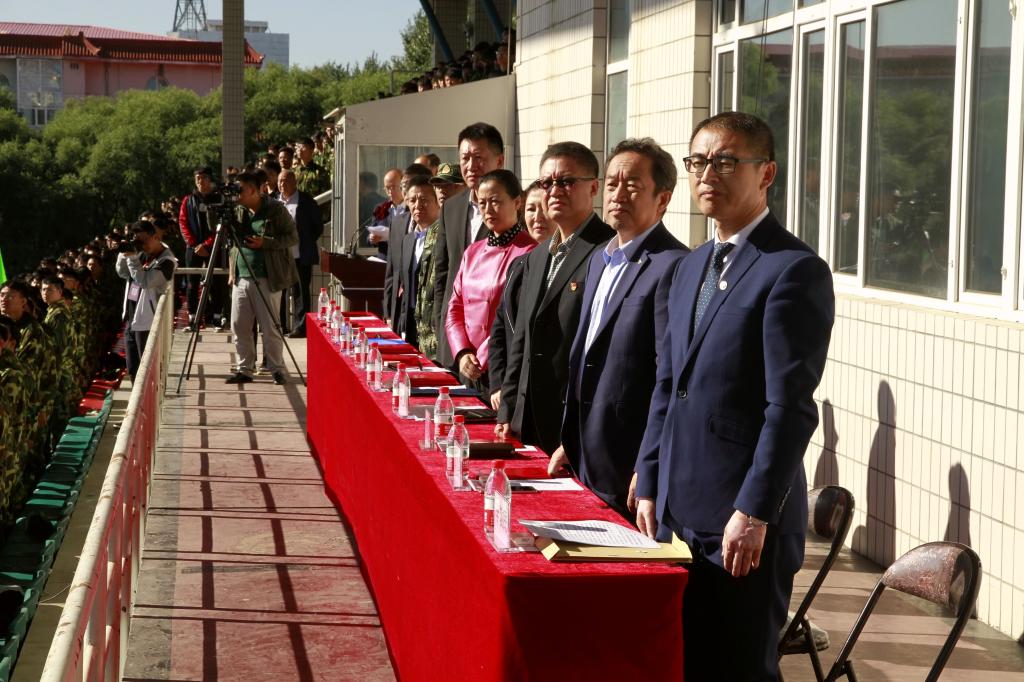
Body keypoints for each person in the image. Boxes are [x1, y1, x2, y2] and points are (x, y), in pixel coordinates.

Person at [634, 112, 835, 681]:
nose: (707, 174)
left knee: (738, 669)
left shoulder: (792, 270)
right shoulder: (690, 265)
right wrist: (649, 476)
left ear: (766, 172)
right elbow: (669, 383)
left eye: (725, 161)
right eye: (698, 162)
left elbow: (789, 408)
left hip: (742, 523)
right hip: (677, 509)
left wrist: (753, 511)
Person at [547, 138, 689, 520]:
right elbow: (587, 354)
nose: (618, 194)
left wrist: (649, 464)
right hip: (586, 454)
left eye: (633, 185)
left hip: (628, 466)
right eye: (612, 183)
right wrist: (572, 441)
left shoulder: (673, 265)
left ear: (663, 199)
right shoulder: (600, 259)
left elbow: (669, 377)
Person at [495, 142, 614, 454]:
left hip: (572, 425)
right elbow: (521, 340)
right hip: (527, 419)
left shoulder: (608, 252)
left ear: (594, 188)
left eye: (567, 182)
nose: (555, 191)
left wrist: (579, 431)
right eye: (547, 183)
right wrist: (508, 407)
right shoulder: (536, 257)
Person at [446, 170, 537, 392]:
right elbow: (455, 307)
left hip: (502, 366)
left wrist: (483, 356)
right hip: (467, 365)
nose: (488, 210)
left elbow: (513, 319)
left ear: (517, 202)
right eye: (482, 203)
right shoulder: (472, 251)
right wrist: (462, 352)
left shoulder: (530, 252)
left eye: (495, 201)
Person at [432, 123, 505, 369]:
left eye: (479, 157)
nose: (471, 166)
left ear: (499, 160)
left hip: (492, 347)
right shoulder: (450, 208)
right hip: (452, 341)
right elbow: (442, 274)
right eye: (465, 158)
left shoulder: (514, 208)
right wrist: (442, 327)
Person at [226, 170, 299, 385]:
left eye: (241, 190)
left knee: (270, 327)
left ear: (253, 190)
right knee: (239, 325)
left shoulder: (275, 209)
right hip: (241, 276)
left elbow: (292, 237)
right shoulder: (238, 210)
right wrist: (231, 271)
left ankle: (276, 368)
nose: (237, 194)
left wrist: (265, 243)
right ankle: (244, 369)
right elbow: (230, 243)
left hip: (268, 276)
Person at [487, 181, 554, 410]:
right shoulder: (519, 265)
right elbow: (499, 329)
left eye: (544, 208)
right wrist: (498, 385)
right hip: (513, 391)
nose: (537, 217)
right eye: (531, 209)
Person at [116, 220, 178, 380]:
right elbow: (123, 273)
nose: (141, 245)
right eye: (138, 241)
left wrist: (133, 259)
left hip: (146, 322)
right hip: (131, 317)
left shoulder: (167, 261)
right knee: (133, 368)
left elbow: (145, 281)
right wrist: (124, 254)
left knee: (146, 369)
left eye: (144, 240)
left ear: (156, 237)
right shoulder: (141, 254)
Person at [395, 176, 441, 347]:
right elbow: (405, 285)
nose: (417, 205)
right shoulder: (408, 240)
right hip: (411, 324)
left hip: (434, 327)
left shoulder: (444, 238)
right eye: (412, 200)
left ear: (437, 202)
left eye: (424, 200)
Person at [278, 169, 324, 339]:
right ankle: (279, 325)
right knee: (278, 291)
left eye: (286, 181)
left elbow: (317, 226)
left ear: (294, 182)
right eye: (280, 181)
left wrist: (306, 239)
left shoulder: (306, 201)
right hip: (279, 255)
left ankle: (301, 327)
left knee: (301, 292)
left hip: (300, 254)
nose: (282, 184)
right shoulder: (274, 201)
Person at [178, 166, 225, 328]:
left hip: (215, 246)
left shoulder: (219, 199)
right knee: (192, 282)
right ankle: (193, 317)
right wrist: (194, 244)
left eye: (204, 177)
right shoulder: (188, 200)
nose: (200, 181)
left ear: (210, 179)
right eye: (197, 178)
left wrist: (207, 244)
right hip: (193, 248)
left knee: (217, 281)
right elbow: (183, 223)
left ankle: (217, 316)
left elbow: (221, 224)